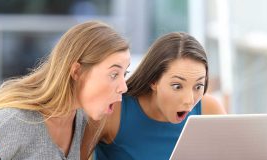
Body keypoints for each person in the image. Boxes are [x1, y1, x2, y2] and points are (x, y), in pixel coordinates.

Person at [0, 21, 130, 160]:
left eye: (125, 74)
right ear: (77, 71)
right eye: (114, 74)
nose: (124, 86)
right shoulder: (17, 119)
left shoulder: (81, 120)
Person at [81, 32, 226, 160]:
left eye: (198, 86)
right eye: (177, 86)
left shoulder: (209, 110)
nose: (189, 100)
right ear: (154, 81)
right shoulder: (114, 110)